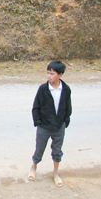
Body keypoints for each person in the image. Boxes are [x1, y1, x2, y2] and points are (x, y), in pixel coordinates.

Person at [28, 60, 72, 188]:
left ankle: (55, 173)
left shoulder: (66, 89)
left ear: (60, 75)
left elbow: (68, 107)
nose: (49, 76)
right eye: (48, 73)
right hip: (44, 126)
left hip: (59, 126)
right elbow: (36, 107)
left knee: (57, 151)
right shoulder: (43, 89)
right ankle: (33, 167)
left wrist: (65, 121)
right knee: (39, 148)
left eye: (52, 74)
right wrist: (38, 122)